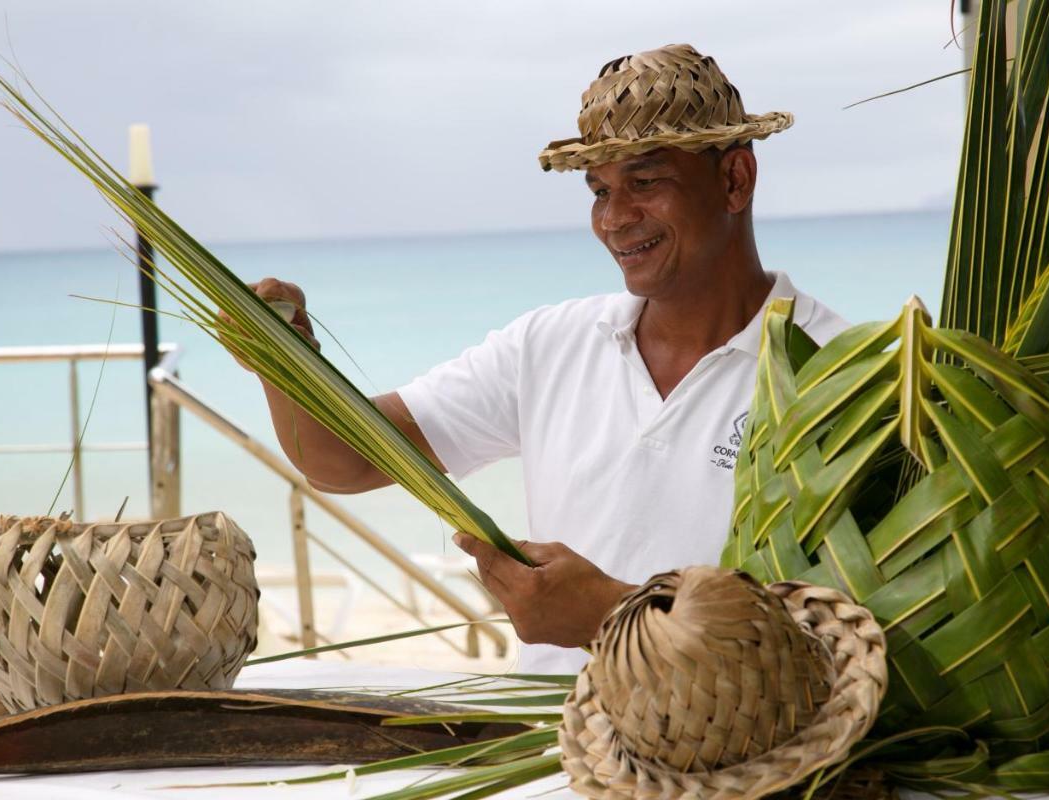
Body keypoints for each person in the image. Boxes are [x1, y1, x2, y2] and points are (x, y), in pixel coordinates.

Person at [241, 44, 847, 673]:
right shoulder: (549, 346)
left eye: (644, 181)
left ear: (734, 180)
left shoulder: (837, 371)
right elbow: (340, 461)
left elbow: (852, 649)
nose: (613, 218)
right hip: (556, 755)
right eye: (599, 190)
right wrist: (284, 357)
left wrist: (612, 616)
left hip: (747, 762)